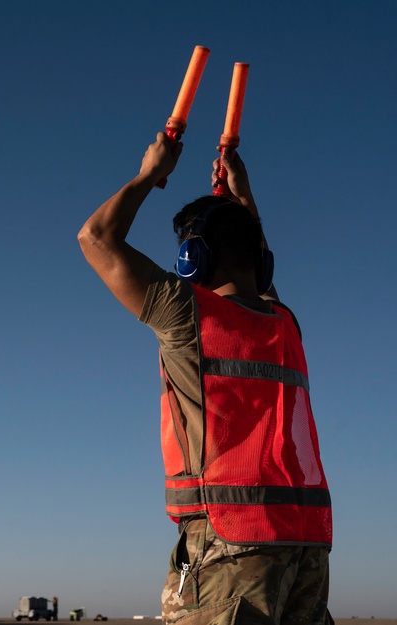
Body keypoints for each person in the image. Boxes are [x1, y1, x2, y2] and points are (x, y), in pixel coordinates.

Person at [77, 133, 332, 625]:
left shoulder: (188, 313)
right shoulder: (285, 324)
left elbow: (96, 239)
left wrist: (149, 173)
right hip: (307, 545)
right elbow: (261, 274)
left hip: (230, 541)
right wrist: (244, 203)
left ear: (191, 259)